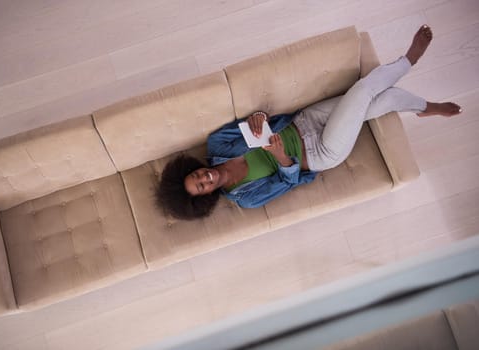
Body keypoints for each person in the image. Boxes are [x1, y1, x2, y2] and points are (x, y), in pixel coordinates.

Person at [156, 25, 462, 220]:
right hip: (321, 153)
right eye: (201, 186)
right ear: (205, 198)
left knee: (383, 100)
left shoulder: (217, 145)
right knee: (363, 91)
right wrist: (280, 158)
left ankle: (426, 108)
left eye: (197, 174)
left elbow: (258, 120)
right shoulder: (245, 197)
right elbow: (289, 183)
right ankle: (409, 60)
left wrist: (259, 119)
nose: (205, 177)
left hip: (305, 121)